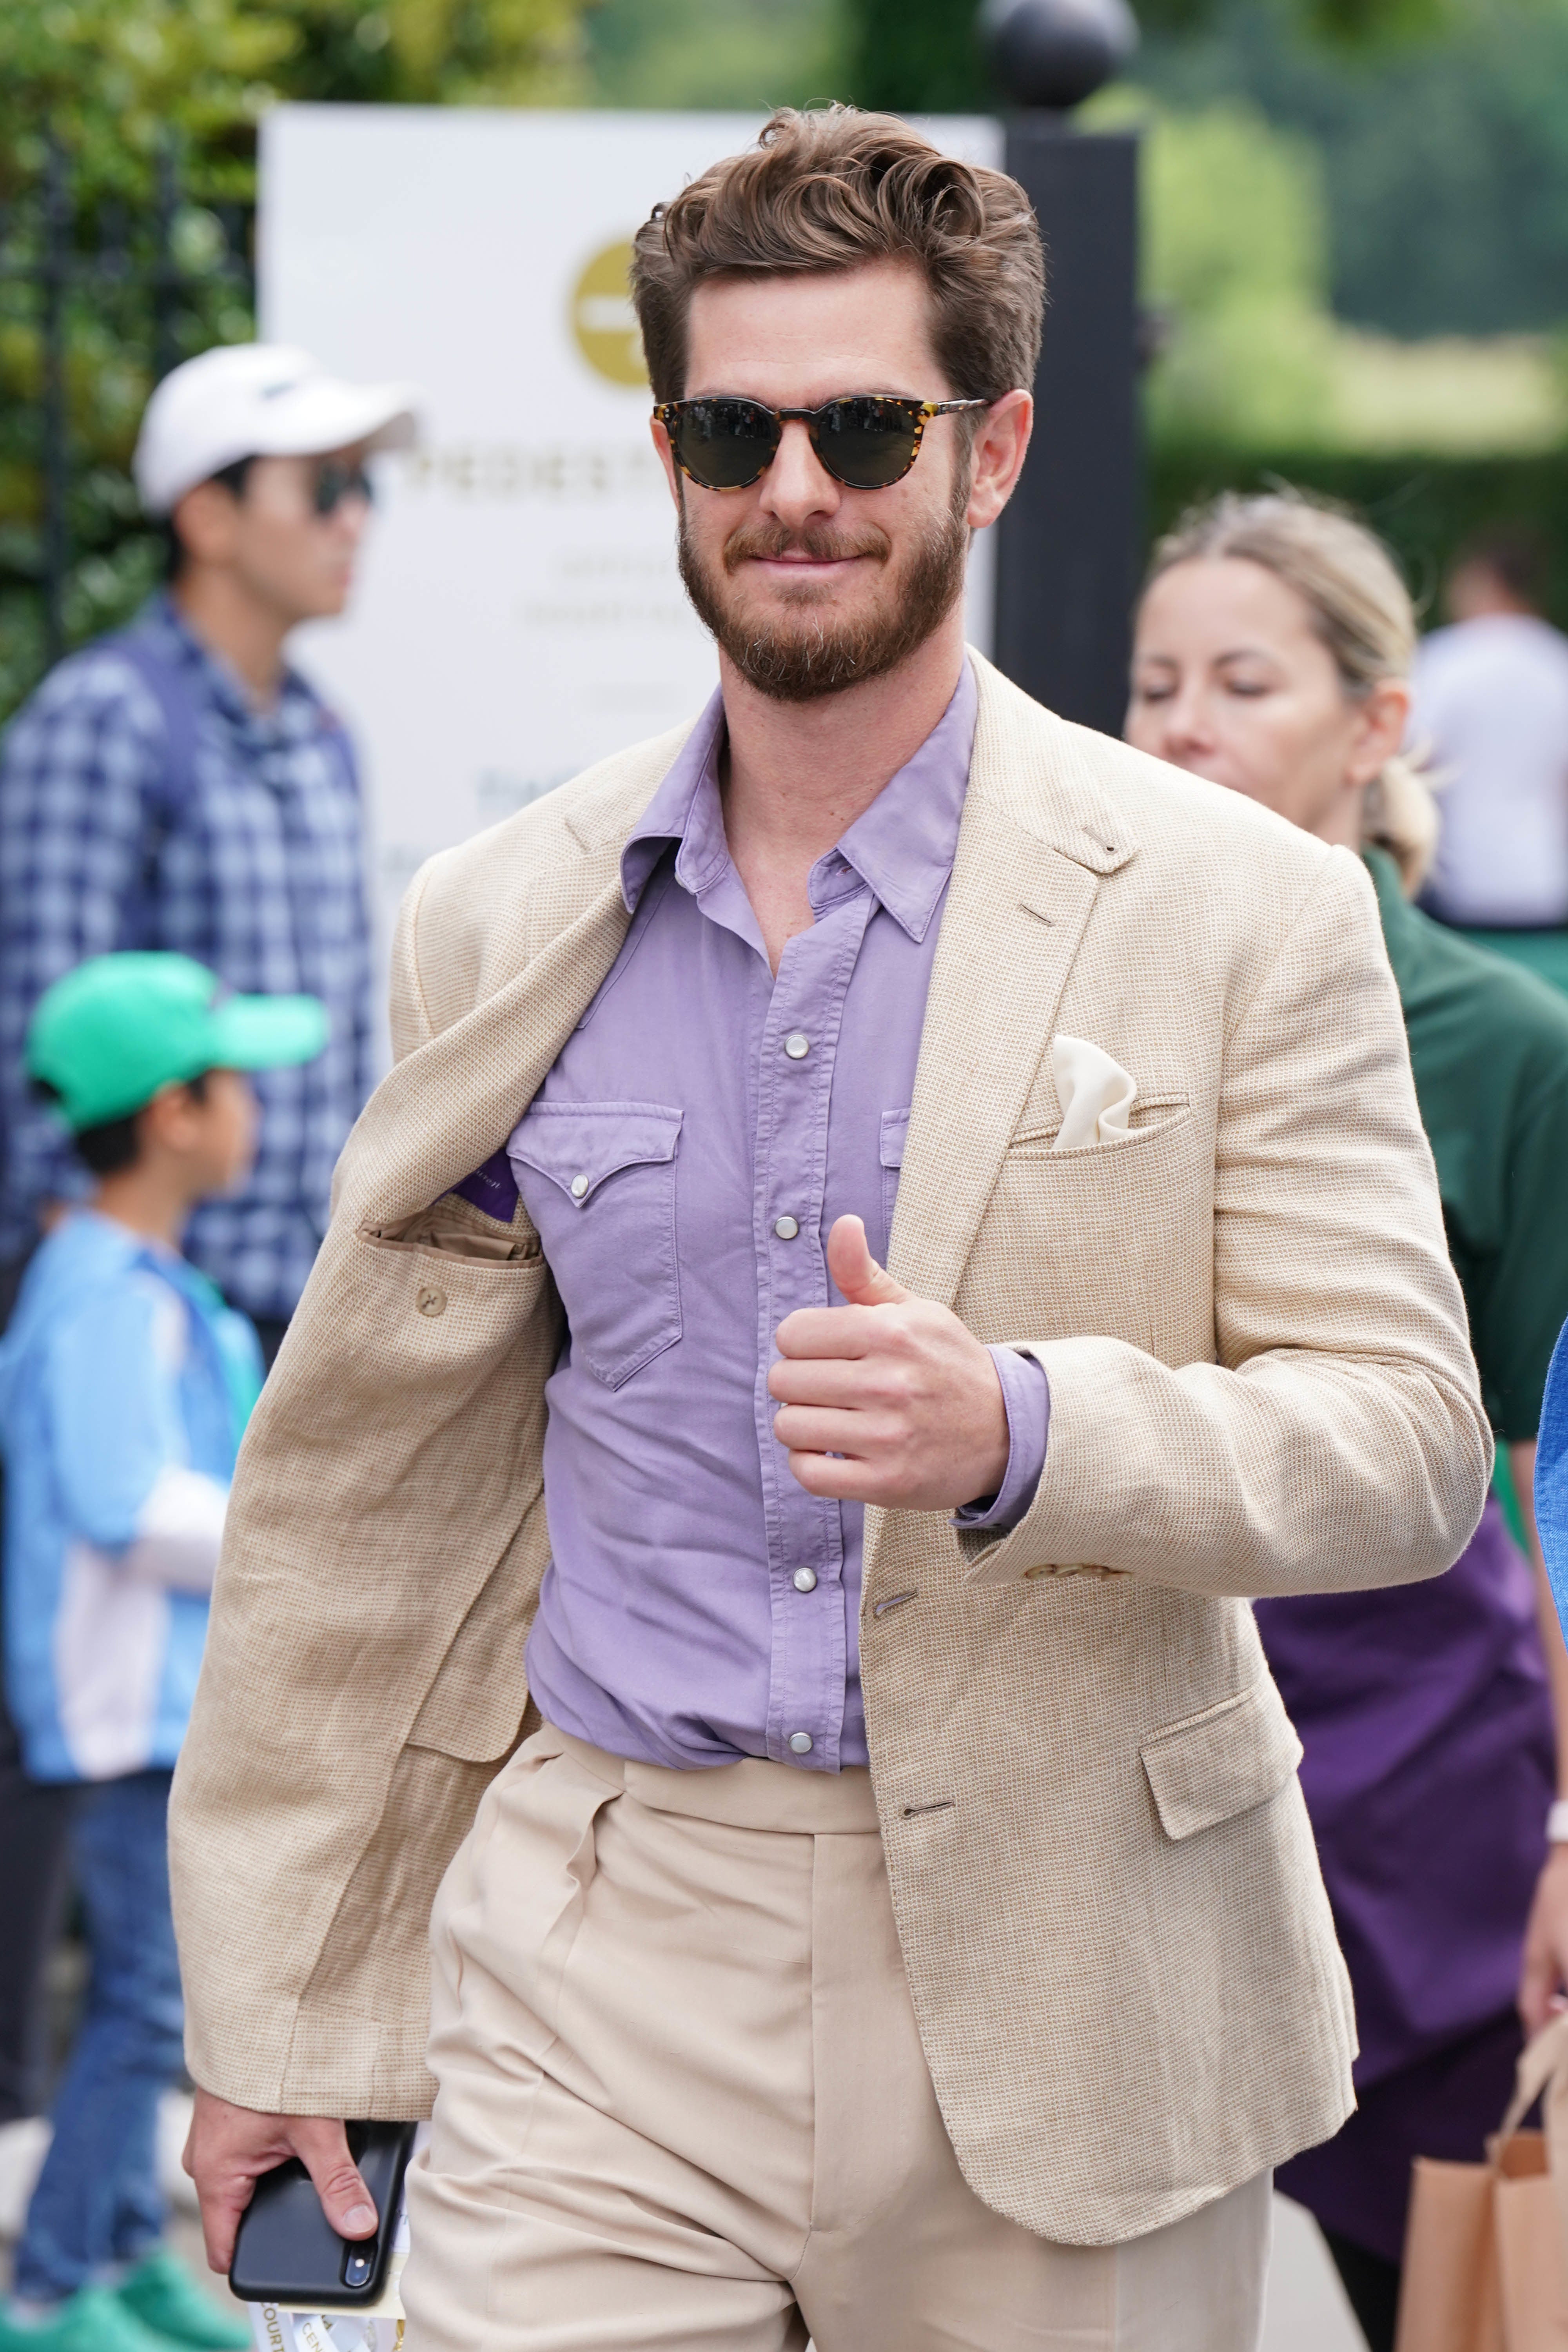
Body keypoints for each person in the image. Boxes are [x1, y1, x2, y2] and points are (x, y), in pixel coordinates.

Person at [172, 109, 1488, 2352]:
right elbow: (369, 1497)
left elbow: (1403, 1445)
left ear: (990, 452)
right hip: (601, 1947)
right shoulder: (497, 916)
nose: (793, 485)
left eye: (864, 424)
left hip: (1072, 1963)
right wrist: (280, 1996)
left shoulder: (1236, 906)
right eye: (729, 427)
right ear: (671, 449)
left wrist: (1022, 1423)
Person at [1127, 488, 1568, 2352]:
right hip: (1130, 1750)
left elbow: (1556, 1477)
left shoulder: (1496, 1044)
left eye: (1241, 679)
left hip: (1426, 1792)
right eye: (1150, 683)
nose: (1181, 726)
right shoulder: (1076, 1014)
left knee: (1450, 2298)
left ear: (1373, 725)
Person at [0, 340, 416, 2198]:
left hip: (298, 1320)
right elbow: (39, 1042)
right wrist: (105, 1288)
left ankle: (190, 2186)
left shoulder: (321, 726)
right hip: (155, 1316)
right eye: (318, 487)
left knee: (265, 1776)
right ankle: (72, 2201)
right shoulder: (105, 723)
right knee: (116, 1763)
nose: (356, 522)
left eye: (363, 485)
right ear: (203, 516)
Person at [0, 952, 327, 2352]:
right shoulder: (100, 1292)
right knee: (138, 2001)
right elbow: (125, 1500)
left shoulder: (134, 1277)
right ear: (175, 1112)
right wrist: (300, 1530)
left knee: (158, 1998)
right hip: (133, 1712)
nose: (260, 1104)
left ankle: (120, 2252)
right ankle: (54, 2282)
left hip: (167, 1709)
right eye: (236, 1079)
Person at [1414, 526, 1568, 992]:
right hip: (1547, 884)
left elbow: (1414, 762)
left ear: (1481, 580)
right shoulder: (1557, 662)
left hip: (1459, 884)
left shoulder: (1445, 659)